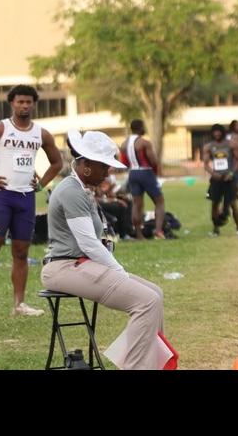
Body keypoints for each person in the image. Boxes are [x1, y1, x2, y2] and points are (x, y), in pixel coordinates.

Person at [40, 130, 167, 370]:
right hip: (64, 267)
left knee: (155, 294)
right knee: (146, 301)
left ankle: (151, 364)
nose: (108, 173)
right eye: (105, 166)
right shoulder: (71, 191)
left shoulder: (81, 188)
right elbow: (88, 242)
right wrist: (118, 271)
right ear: (87, 165)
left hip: (80, 264)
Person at [0, 83, 64, 317]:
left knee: (21, 251)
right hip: (2, 196)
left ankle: (19, 304)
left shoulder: (41, 134)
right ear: (12, 103)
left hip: (26, 198)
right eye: (20, 102)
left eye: (28, 102)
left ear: (33, 104)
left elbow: (57, 162)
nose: (24, 106)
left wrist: (41, 183)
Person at [119, 118, 172, 239]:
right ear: (140, 128)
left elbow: (124, 163)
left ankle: (138, 233)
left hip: (132, 173)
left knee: (136, 204)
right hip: (146, 172)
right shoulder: (144, 143)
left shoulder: (124, 144)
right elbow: (153, 161)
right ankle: (158, 231)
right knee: (159, 201)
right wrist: (156, 173)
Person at [200, 124, 238, 236]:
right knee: (215, 203)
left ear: (222, 132)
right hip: (216, 179)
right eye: (214, 132)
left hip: (229, 178)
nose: (217, 134)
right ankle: (216, 229)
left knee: (232, 203)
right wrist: (213, 173)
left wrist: (231, 173)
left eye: (218, 132)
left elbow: (237, 160)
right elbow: (206, 164)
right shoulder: (208, 147)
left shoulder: (231, 144)